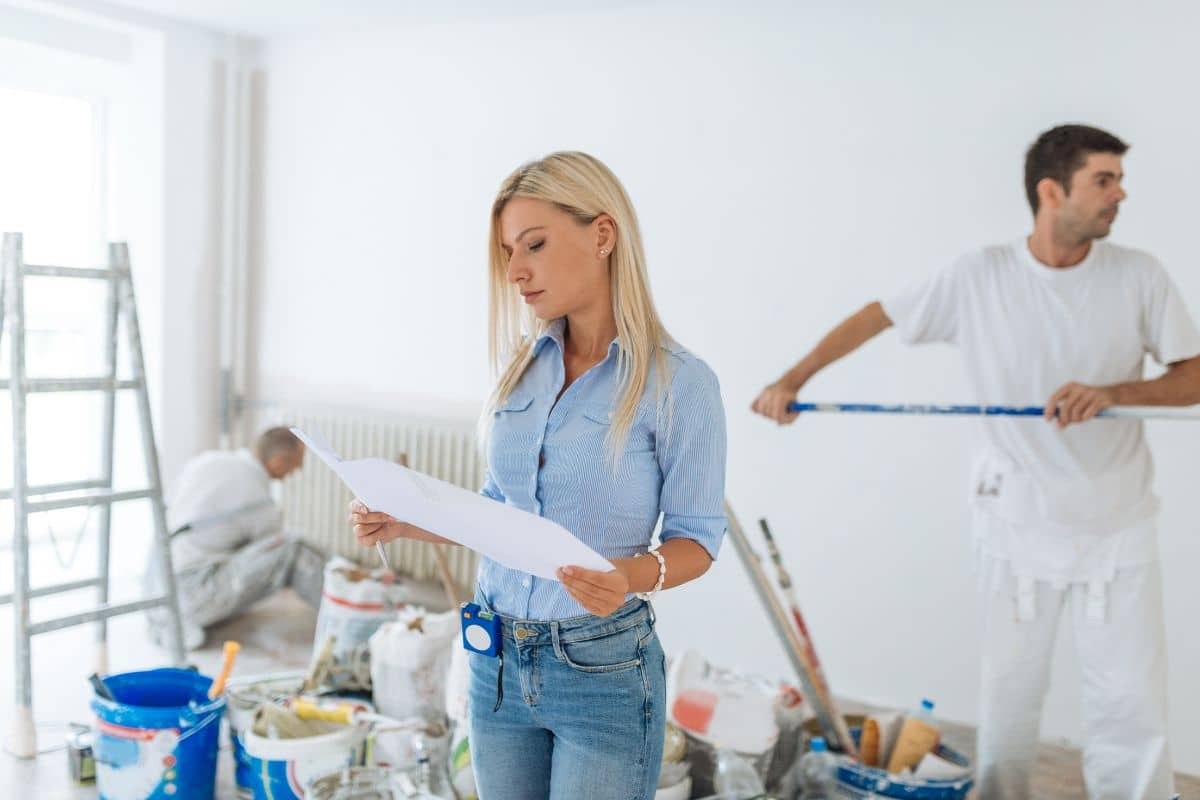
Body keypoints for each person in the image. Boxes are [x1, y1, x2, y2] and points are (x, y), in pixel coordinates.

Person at [751, 125, 1200, 800]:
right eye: (1104, 180)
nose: (1120, 193)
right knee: (1010, 701)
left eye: (1117, 179)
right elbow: (880, 314)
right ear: (1053, 192)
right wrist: (791, 380)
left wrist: (1113, 393)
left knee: (1130, 708)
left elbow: (1192, 377)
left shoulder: (1140, 276)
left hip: (1118, 525)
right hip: (1014, 523)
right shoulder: (979, 274)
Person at [349, 151, 727, 799]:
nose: (515, 271)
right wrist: (405, 520)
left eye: (535, 244)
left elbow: (698, 540)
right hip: (493, 658)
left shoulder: (679, 383)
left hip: (602, 669)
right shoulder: (522, 369)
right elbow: (503, 515)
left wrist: (625, 578)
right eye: (507, 252)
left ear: (603, 235)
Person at [150, 427, 325, 649]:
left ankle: (345, 583)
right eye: (297, 462)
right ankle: (348, 605)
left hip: (159, 586)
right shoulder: (259, 500)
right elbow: (272, 549)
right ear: (279, 461)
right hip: (192, 595)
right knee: (294, 548)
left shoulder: (207, 461)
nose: (297, 469)